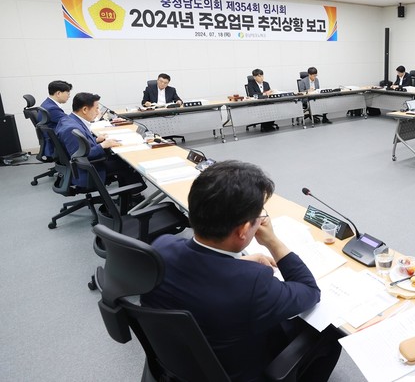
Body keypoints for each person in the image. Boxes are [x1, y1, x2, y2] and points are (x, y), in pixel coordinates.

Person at [141, 161, 341, 382]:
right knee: (330, 335)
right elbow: (310, 291)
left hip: (180, 362)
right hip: (237, 372)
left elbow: (204, 274)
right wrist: (272, 241)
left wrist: (239, 264)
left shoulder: (161, 247)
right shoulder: (252, 283)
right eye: (260, 215)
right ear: (243, 230)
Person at [55, 92, 143, 189]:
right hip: (88, 170)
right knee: (127, 163)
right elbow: (80, 156)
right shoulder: (71, 129)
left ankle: (128, 194)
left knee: (118, 157)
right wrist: (103, 145)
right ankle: (135, 194)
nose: (98, 112)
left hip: (87, 164)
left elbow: (81, 145)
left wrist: (96, 140)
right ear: (84, 109)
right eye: (96, 108)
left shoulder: (70, 120)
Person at [40, 80, 72, 158]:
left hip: (55, 138)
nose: (69, 96)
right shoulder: (52, 108)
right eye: (68, 93)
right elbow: (70, 122)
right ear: (58, 93)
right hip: (57, 142)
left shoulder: (47, 104)